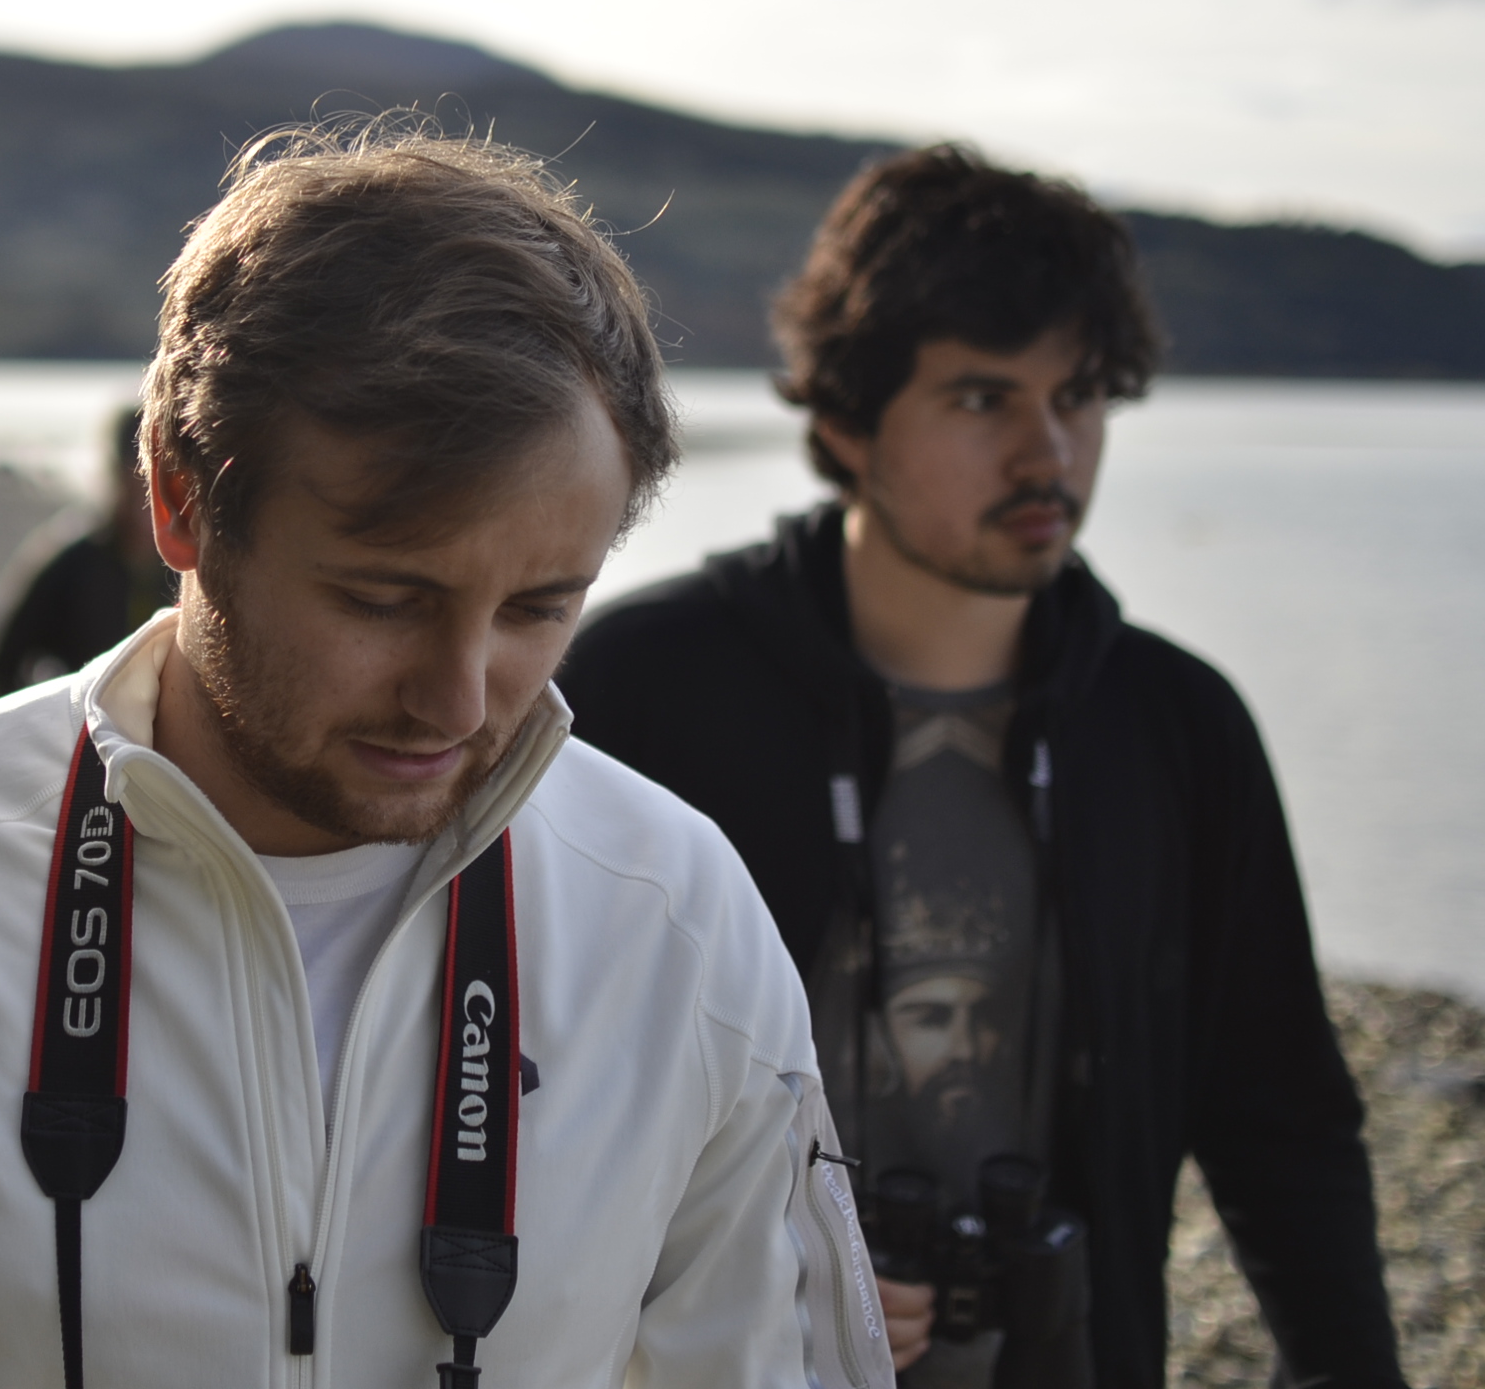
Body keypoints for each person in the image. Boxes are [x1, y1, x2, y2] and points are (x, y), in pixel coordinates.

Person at [0, 124, 893, 1389]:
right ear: (180, 501)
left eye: (542, 608)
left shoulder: (681, 922)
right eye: (384, 597)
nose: (458, 696)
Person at [558, 145, 1403, 1388]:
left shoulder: (1175, 729)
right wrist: (733, 1277)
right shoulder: (641, 688)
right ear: (845, 419)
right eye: (980, 400)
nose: (1045, 454)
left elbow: (1280, 1122)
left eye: (1079, 396)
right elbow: (524, 1077)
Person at [0, 406, 178, 695]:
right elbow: (2, 663)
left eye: (154, 484)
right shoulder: (74, 566)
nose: (145, 498)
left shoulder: (186, 570)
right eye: (134, 480)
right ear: (114, 476)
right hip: (87, 729)